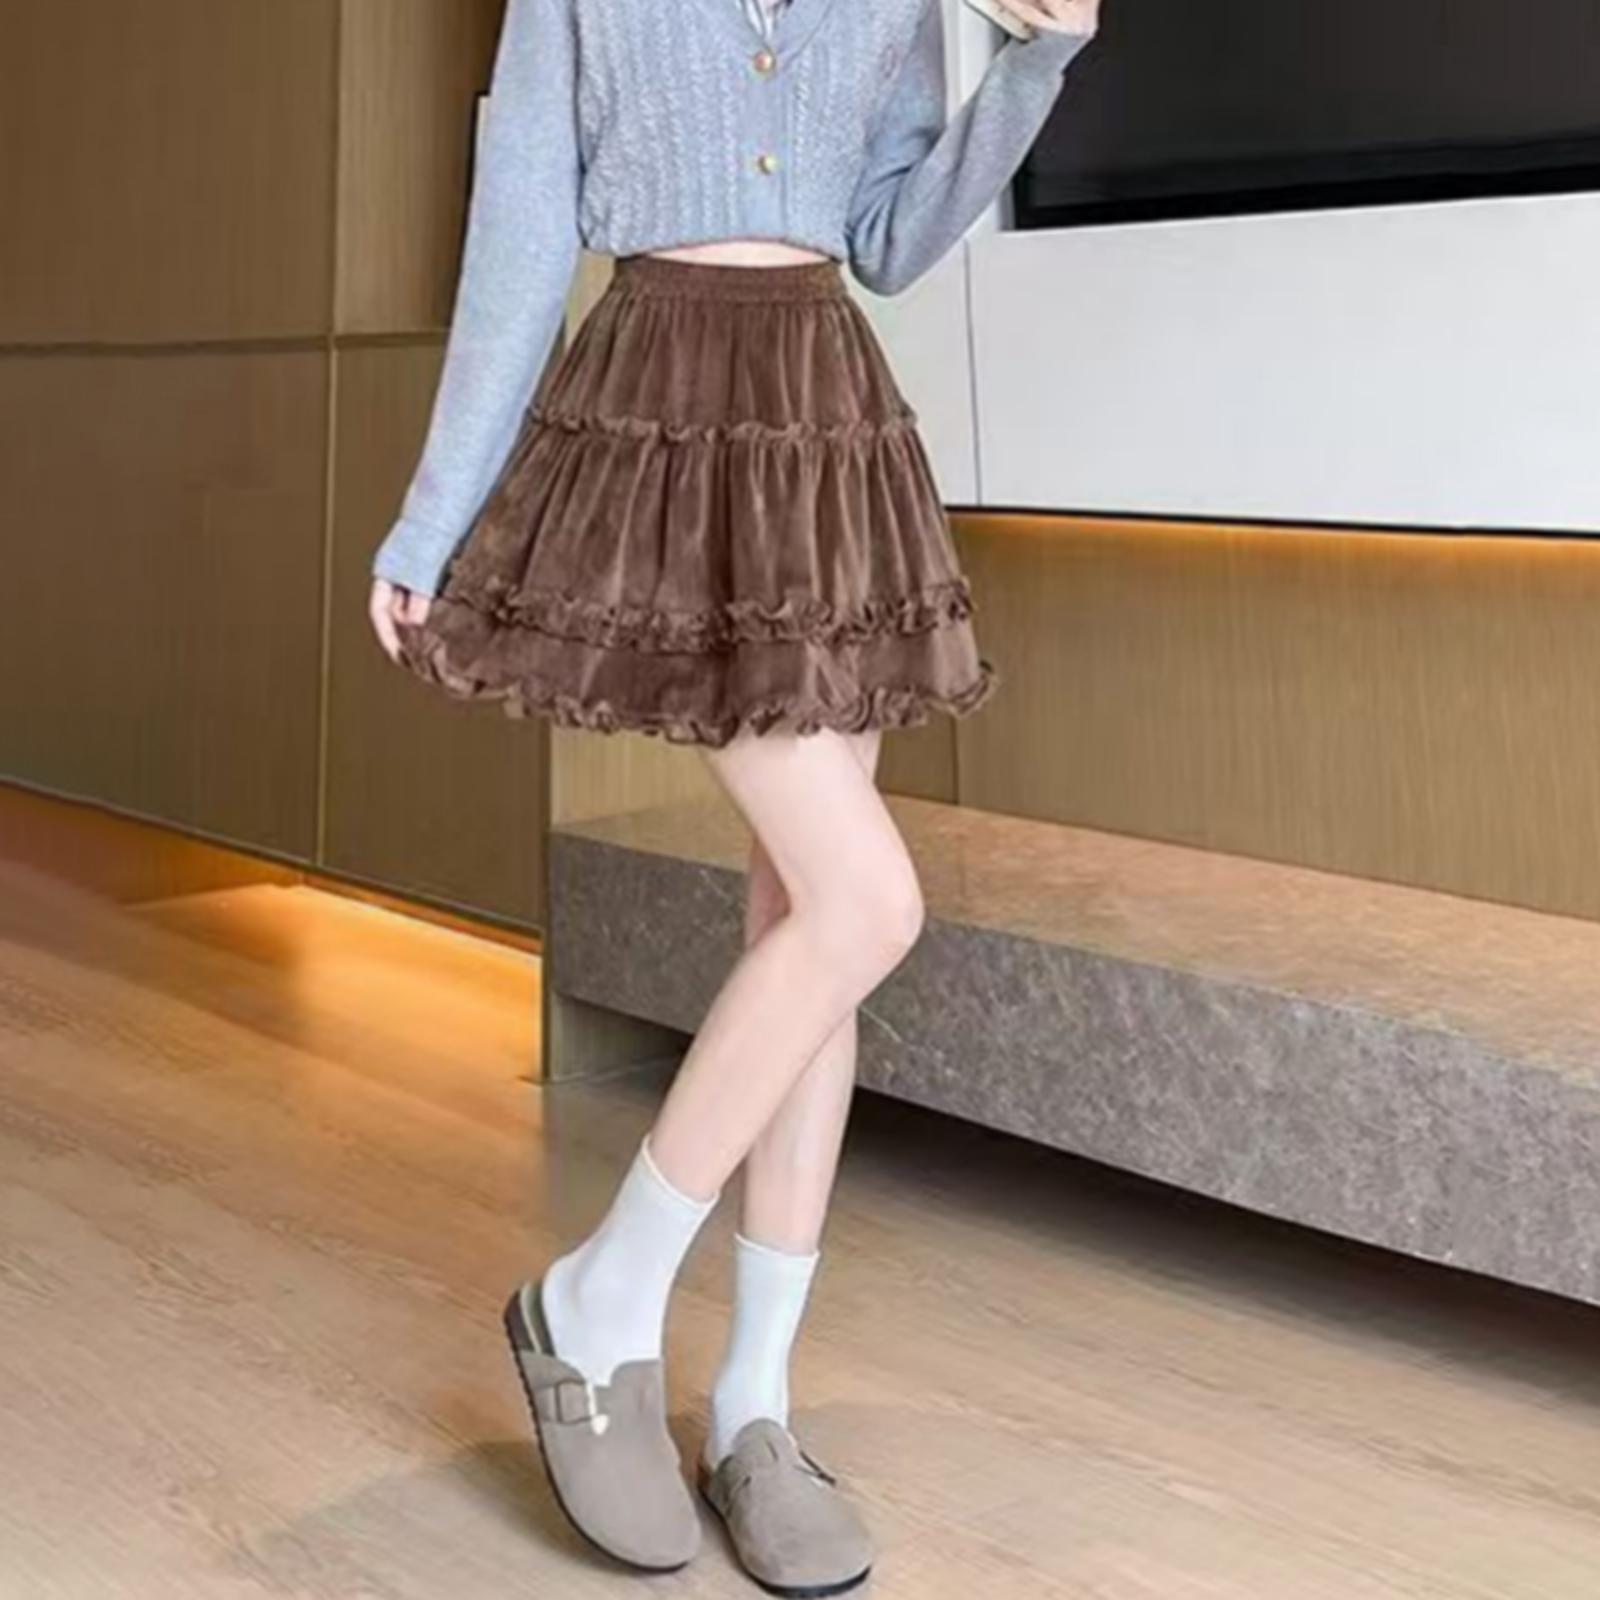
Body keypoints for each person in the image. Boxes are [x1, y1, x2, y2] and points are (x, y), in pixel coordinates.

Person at [366, 0, 1101, 1589]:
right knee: (865, 901)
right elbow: (519, 233)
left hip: (826, 437)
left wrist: (1034, 63)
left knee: (803, 923)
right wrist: (433, 517)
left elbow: (890, 238)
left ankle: (755, 1405)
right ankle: (601, 1298)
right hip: (661, 426)